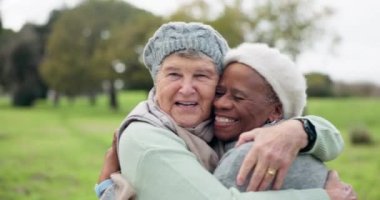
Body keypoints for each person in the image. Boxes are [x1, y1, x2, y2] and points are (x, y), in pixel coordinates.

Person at [95, 22, 354, 200]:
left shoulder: (216, 125)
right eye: (174, 74)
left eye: (202, 75)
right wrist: (322, 196)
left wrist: (299, 130)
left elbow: (333, 141)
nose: (187, 89)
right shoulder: (146, 137)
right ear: (155, 80)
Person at [213, 42, 330, 192]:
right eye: (219, 92)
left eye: (238, 97)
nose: (221, 103)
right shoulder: (301, 147)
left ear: (276, 110)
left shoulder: (245, 158)